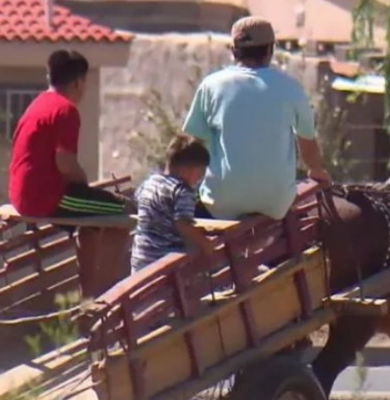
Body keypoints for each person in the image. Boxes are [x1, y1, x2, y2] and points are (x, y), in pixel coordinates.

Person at [8, 49, 133, 299]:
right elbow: (65, 163)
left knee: (93, 217)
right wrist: (85, 187)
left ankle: (87, 294)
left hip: (20, 194)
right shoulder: (65, 110)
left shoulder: (37, 105)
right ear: (78, 82)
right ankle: (108, 291)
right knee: (124, 210)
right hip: (46, 197)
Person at [182, 16, 330, 222]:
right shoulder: (291, 88)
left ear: (234, 51)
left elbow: (192, 143)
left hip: (220, 204)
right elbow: (307, 144)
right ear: (270, 50)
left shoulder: (211, 85)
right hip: (276, 204)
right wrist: (316, 169)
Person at [131, 134, 215, 273]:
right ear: (185, 169)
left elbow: (138, 202)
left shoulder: (149, 182)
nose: (199, 180)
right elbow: (182, 225)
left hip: (140, 261)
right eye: (199, 174)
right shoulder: (182, 191)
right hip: (165, 265)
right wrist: (205, 243)